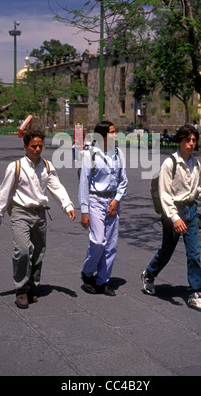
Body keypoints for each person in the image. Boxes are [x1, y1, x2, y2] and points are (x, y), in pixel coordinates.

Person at [141, 124, 201, 312]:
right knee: (166, 251)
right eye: (188, 140)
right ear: (179, 141)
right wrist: (175, 217)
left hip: (191, 212)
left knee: (194, 254)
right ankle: (148, 275)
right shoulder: (169, 164)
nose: (192, 144)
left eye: (194, 140)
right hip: (173, 212)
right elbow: (165, 194)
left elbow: (193, 192)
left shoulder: (196, 164)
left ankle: (195, 293)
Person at [0, 130, 76, 309]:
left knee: (38, 253)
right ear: (25, 147)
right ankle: (21, 290)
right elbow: (4, 191)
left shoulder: (47, 166)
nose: (37, 149)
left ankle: (32, 286)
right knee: (22, 250)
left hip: (40, 214)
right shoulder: (16, 166)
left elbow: (56, 187)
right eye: (33, 146)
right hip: (21, 213)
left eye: (39, 146)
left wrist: (67, 205)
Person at [79, 121, 128, 296]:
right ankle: (87, 271)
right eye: (112, 132)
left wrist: (116, 200)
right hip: (95, 200)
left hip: (113, 201)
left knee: (111, 244)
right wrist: (84, 211)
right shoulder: (90, 155)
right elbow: (84, 184)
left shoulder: (118, 154)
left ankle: (102, 281)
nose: (116, 135)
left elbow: (123, 181)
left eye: (115, 131)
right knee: (98, 240)